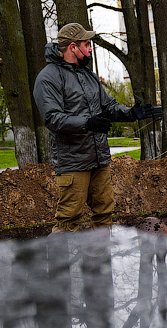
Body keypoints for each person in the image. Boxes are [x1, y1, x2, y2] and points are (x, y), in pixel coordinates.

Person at [33, 23, 150, 232]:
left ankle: (101, 263)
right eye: (86, 45)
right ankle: (60, 265)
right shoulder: (48, 77)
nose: (90, 49)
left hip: (99, 158)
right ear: (72, 47)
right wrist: (87, 123)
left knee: (104, 214)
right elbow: (53, 119)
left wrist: (131, 114)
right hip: (73, 161)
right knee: (68, 220)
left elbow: (108, 105)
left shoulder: (88, 74)